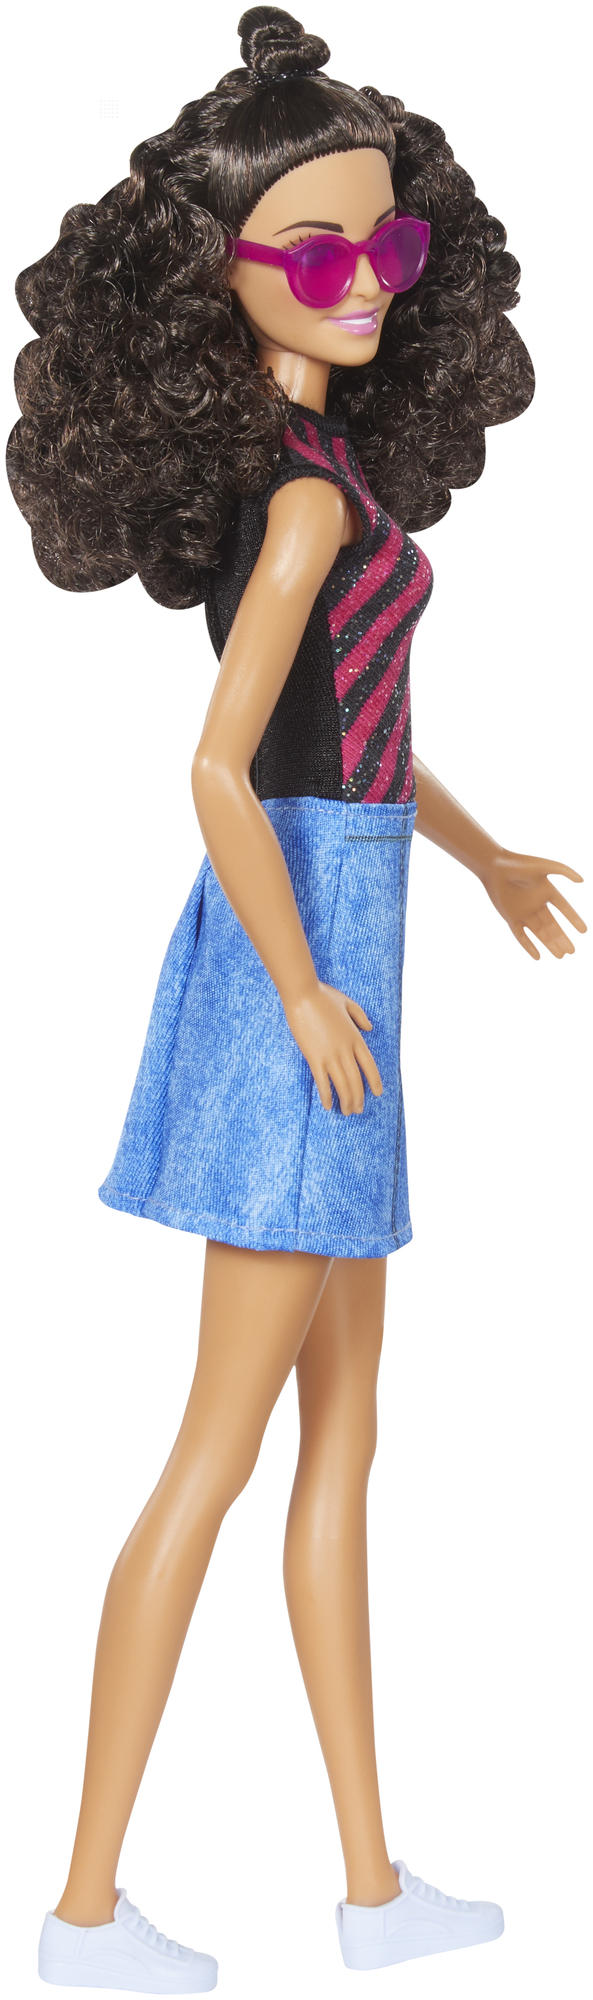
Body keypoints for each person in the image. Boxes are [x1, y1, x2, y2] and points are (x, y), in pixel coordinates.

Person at [6, 7, 585, 1990]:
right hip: (306, 961)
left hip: (352, 931)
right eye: (314, 250)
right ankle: (82, 1912)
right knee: (219, 1448)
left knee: (343, 1446)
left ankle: (369, 1886)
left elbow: (354, 734)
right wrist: (306, 995)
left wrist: (480, 852)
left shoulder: (322, 469)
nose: (363, 282)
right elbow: (218, 770)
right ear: (219, 272)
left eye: (387, 246)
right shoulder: (307, 497)